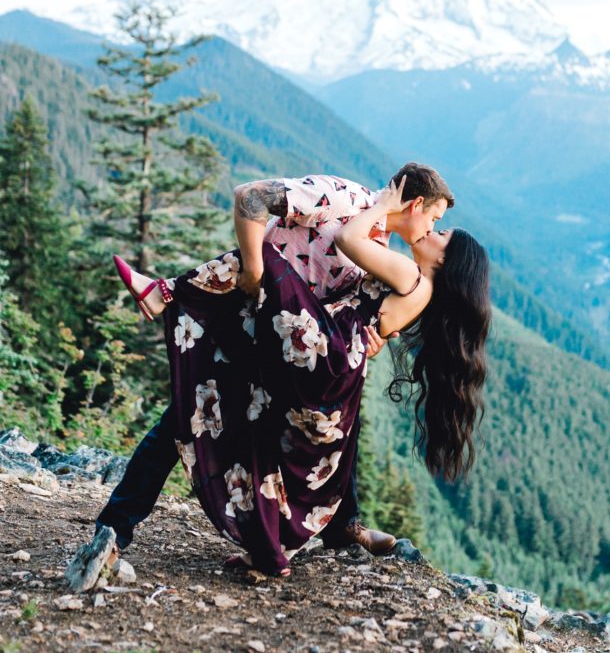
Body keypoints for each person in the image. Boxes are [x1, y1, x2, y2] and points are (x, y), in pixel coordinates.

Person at [66, 163, 456, 588]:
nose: (433, 229)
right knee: (190, 418)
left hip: (293, 343)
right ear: (416, 204)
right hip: (266, 331)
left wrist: (370, 333)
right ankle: (121, 527)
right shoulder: (340, 198)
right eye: (435, 220)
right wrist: (253, 268)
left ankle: (322, 530)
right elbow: (250, 198)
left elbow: (354, 302)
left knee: (308, 431)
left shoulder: (381, 243)